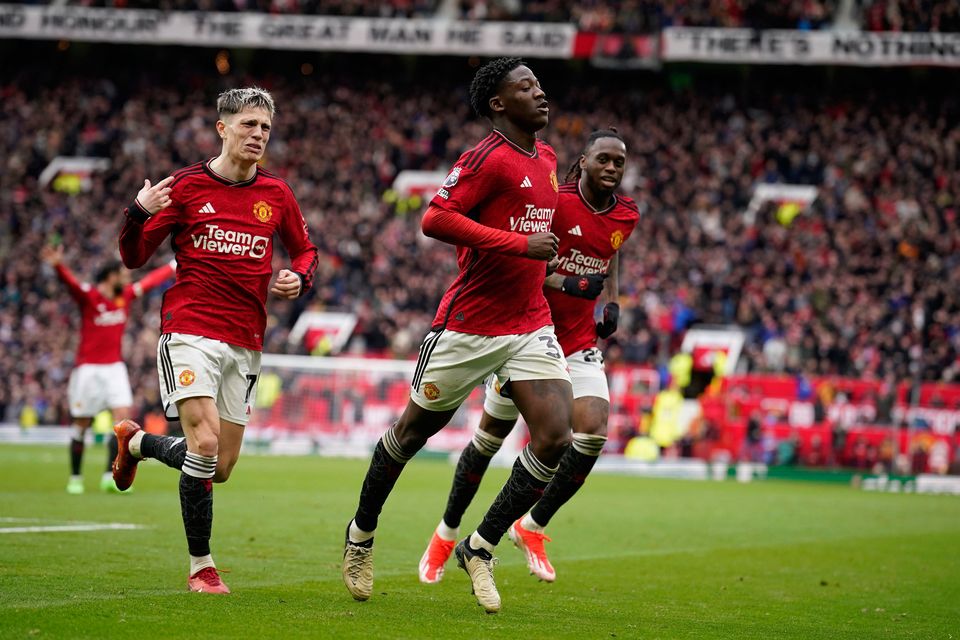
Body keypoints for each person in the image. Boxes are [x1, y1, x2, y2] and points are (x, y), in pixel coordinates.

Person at [341, 57, 571, 614]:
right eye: (526, 87)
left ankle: (480, 545)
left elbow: (535, 237)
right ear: (499, 103)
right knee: (411, 433)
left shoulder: (547, 158)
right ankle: (360, 534)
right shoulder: (485, 158)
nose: (540, 94)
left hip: (529, 322)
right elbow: (435, 218)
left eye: (539, 84)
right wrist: (519, 247)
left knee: (556, 436)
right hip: (467, 325)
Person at [112, 87, 319, 594]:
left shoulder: (277, 194)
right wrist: (137, 212)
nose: (258, 135)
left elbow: (306, 250)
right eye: (249, 125)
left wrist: (299, 275)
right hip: (189, 329)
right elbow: (134, 257)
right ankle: (201, 566)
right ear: (223, 128)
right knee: (203, 444)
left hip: (246, 337)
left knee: (219, 466)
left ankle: (135, 442)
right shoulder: (183, 187)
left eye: (266, 128)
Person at [417, 129, 639, 585]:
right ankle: (445, 533)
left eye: (620, 162)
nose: (612, 168)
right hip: (524, 335)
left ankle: (532, 525)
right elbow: (519, 261)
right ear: (584, 160)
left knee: (593, 429)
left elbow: (611, 250)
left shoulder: (628, 213)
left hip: (577, 343)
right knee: (488, 439)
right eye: (604, 159)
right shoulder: (554, 202)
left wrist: (611, 300)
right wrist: (565, 285)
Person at [41, 244, 175, 495]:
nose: (127, 278)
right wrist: (58, 265)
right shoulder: (90, 296)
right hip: (88, 370)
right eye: (122, 274)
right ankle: (76, 477)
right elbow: (70, 284)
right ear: (111, 277)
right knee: (82, 424)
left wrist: (173, 266)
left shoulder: (123, 297)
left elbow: (148, 282)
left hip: (115, 368)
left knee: (122, 422)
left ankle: (108, 475)